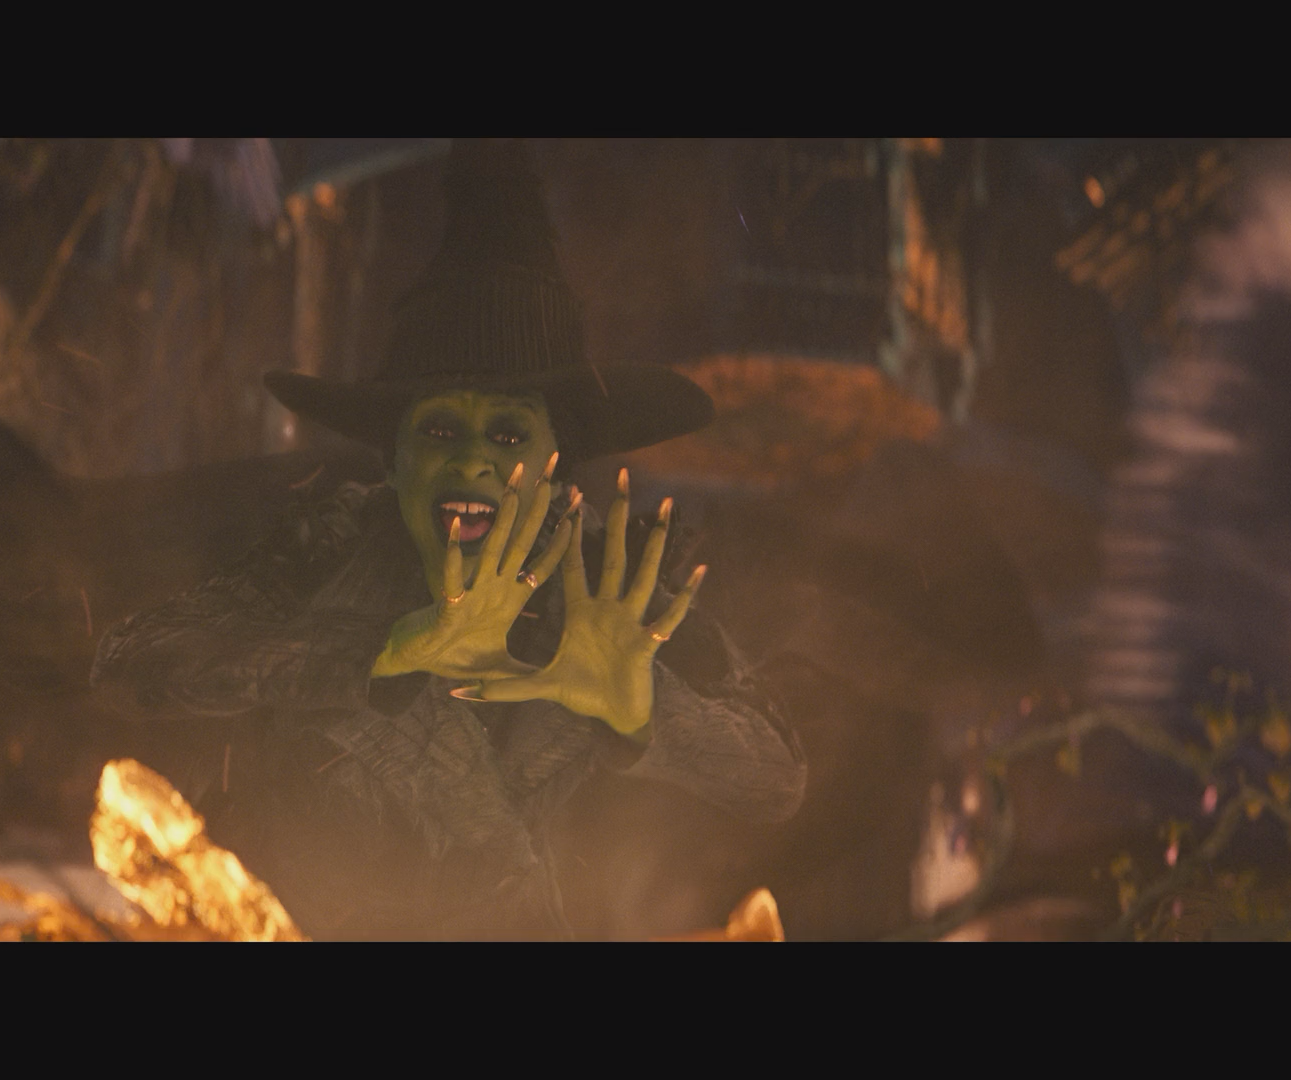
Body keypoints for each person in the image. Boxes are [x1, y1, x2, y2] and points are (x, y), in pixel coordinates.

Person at [90, 140, 804, 938]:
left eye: (508, 435)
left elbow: (776, 777)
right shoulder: (328, 546)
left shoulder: (609, 585)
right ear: (394, 461)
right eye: (438, 429)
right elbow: (132, 664)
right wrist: (382, 656)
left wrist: (642, 710)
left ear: (557, 463)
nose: (471, 461)